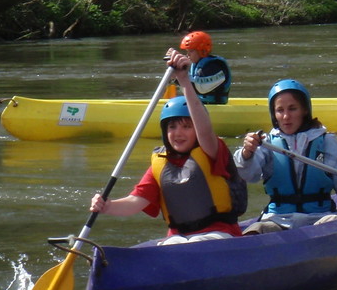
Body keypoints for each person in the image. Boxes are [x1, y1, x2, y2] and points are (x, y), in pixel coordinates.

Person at [90, 48, 245, 243]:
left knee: (196, 243)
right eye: (172, 127)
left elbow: (204, 129)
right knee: (172, 244)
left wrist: (185, 82)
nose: (178, 133)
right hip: (179, 238)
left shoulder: (212, 150)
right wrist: (107, 206)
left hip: (219, 234)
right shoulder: (161, 164)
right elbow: (136, 202)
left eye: (186, 126)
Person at [236, 78, 337, 232]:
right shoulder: (266, 143)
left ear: (304, 110)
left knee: (333, 224)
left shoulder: (326, 142)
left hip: (321, 217)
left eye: (292, 108)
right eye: (280, 110)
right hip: (278, 219)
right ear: (274, 114)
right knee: (256, 229)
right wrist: (247, 153)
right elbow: (247, 174)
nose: (286, 116)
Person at [178, 30, 232, 104]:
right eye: (187, 51)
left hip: (214, 107)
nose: (188, 55)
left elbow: (200, 89)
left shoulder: (213, 67)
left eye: (191, 51)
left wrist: (180, 76)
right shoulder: (196, 65)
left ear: (202, 51)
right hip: (200, 105)